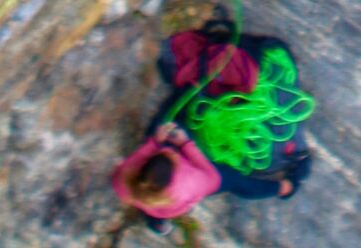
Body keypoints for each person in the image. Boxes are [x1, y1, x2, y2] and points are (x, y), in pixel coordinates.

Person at [110, 21, 313, 220]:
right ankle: (285, 187)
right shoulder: (191, 183)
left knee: (167, 118)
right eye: (169, 155)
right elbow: (212, 176)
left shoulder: (123, 180)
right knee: (235, 182)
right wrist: (185, 144)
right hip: (192, 183)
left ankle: (154, 218)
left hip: (159, 197)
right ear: (176, 166)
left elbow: (142, 152)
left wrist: (155, 141)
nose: (167, 149)